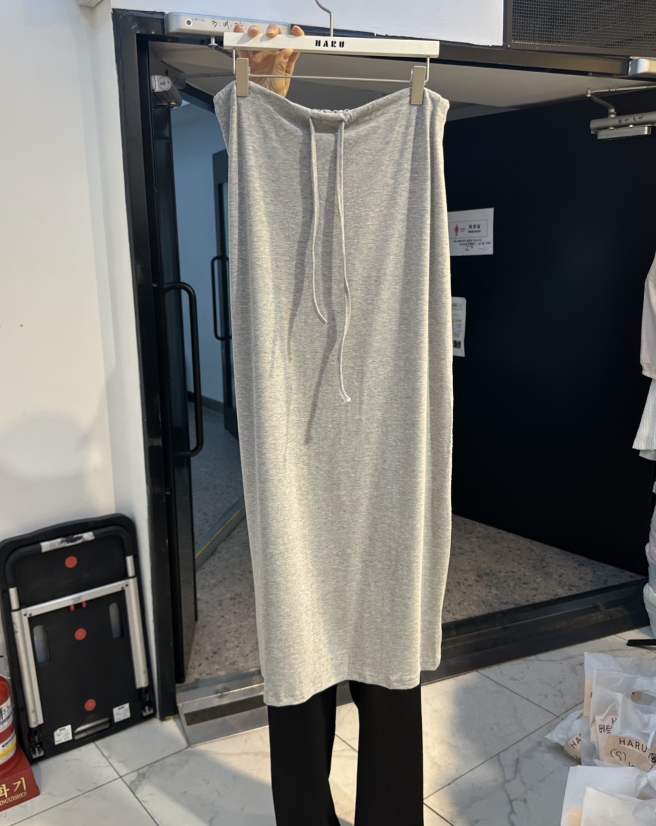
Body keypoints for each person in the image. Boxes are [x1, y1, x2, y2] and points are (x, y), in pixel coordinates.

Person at [230, 23, 427, 826]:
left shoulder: (414, 145)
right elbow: (252, 155)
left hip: (389, 438)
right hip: (292, 445)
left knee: (387, 637)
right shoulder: (258, 158)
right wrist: (259, 97)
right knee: (297, 641)